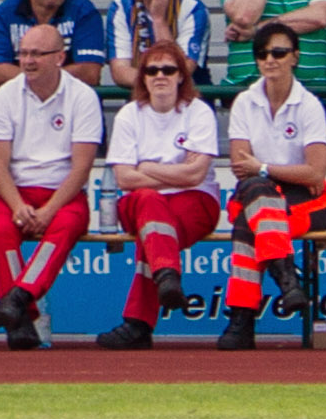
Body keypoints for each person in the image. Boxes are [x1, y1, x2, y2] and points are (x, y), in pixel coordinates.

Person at [0, 23, 104, 348]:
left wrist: (49, 210)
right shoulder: (4, 96)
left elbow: (81, 167)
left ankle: (17, 300)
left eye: (37, 53)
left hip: (64, 193)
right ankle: (19, 318)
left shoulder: (83, 97)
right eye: (23, 53)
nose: (28, 61)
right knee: (1, 231)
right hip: (16, 191)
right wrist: (18, 205)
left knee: (63, 228)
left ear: (60, 57)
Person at [93, 43, 226, 348]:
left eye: (169, 69)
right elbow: (124, 177)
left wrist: (149, 167)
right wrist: (175, 170)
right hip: (142, 202)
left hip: (195, 201)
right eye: (152, 70)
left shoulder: (198, 111)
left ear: (181, 75)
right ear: (143, 77)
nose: (160, 76)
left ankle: (139, 324)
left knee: (151, 232)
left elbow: (196, 175)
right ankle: (166, 276)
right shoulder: (129, 115)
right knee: (149, 204)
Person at [217, 24, 326, 351]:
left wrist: (266, 168)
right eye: (263, 54)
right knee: (257, 193)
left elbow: (316, 172)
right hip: (264, 194)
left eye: (279, 52)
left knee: (248, 222)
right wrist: (279, 174)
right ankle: (288, 281)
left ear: (295, 57)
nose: (270, 60)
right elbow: (240, 168)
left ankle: (242, 319)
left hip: (303, 201)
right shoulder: (244, 102)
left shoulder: (310, 105)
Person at [104, 0, 212, 92]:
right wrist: (158, 81)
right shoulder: (121, 7)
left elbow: (183, 71)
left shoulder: (193, 8)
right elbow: (120, 72)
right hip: (141, 97)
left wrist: (158, 18)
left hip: (191, 96)